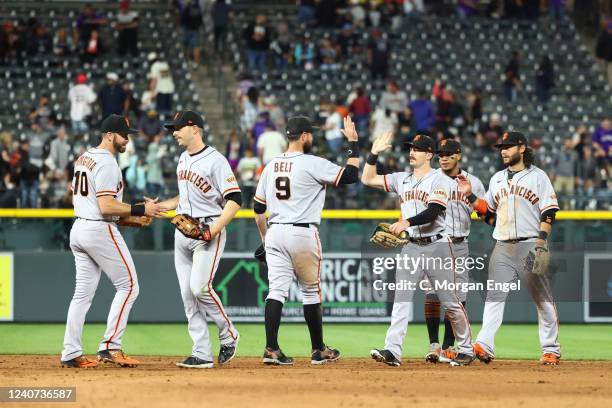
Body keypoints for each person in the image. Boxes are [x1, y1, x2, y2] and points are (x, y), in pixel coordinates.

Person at [60, 114, 167, 368]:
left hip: (80, 228)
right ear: (109, 134)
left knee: (82, 295)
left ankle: (70, 351)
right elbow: (106, 206)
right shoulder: (107, 163)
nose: (127, 140)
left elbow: (92, 203)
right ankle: (110, 346)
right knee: (129, 286)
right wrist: (142, 210)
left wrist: (133, 219)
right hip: (98, 229)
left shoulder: (84, 157)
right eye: (123, 135)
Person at [253, 115, 360, 365]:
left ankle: (271, 348)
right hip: (302, 232)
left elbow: (258, 208)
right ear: (303, 137)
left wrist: (265, 239)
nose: (311, 137)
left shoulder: (271, 165)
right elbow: (350, 176)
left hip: (275, 232)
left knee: (276, 290)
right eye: (309, 134)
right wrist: (353, 142)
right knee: (310, 291)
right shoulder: (312, 162)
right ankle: (318, 349)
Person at [363, 133, 475, 367]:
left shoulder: (440, 179)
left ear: (429, 155)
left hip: (438, 246)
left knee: (451, 301)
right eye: (410, 148)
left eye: (417, 149)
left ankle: (466, 348)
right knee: (401, 300)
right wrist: (374, 153)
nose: (412, 152)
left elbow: (433, 211)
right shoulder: (401, 179)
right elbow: (367, 179)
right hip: (411, 247)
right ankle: (393, 351)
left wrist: (406, 222)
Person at [458, 131, 561, 365]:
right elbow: (490, 216)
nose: (503, 151)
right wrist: (471, 196)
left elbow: (549, 211)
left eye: (508, 146)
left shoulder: (538, 177)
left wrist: (541, 242)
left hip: (530, 243)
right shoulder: (496, 179)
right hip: (502, 245)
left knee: (542, 298)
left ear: (522, 148)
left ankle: (551, 349)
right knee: (494, 297)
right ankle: (484, 345)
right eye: (501, 147)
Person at [157, 110, 242, 368]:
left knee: (200, 288)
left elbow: (235, 200)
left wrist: (213, 230)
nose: (174, 132)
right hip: (182, 233)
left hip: (207, 231)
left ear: (194, 129)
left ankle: (229, 333)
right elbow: (181, 199)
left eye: (178, 127)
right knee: (187, 295)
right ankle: (201, 352)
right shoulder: (183, 159)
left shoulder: (216, 160)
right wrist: (159, 207)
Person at [423, 139, 485, 364]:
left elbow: (488, 217)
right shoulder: (429, 179)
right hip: (436, 242)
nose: (444, 158)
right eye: (441, 155)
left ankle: (449, 346)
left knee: (458, 296)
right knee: (432, 292)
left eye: (449, 154)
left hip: (460, 243)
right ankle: (433, 344)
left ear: (458, 155)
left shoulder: (474, 182)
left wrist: (471, 197)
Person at [551, 138, 577, 209]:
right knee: (556, 195)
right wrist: (553, 174)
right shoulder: (559, 153)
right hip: (559, 176)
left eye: (569, 143)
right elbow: (553, 164)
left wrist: (576, 177)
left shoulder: (575, 154)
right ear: (564, 143)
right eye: (567, 142)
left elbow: (577, 166)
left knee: (569, 197)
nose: (568, 144)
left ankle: (567, 214)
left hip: (570, 177)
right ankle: (555, 210)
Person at [179, 0, 203, 67]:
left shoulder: (193, 6)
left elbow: (183, 18)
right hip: (191, 28)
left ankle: (191, 61)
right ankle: (189, 61)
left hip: (190, 28)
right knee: (189, 45)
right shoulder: (194, 6)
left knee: (191, 45)